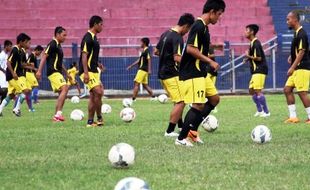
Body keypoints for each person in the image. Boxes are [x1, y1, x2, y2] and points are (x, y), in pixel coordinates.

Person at [175, 0, 226, 147]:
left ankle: (193, 131)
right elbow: (190, 49)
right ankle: (181, 138)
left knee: (214, 99)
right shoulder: (198, 26)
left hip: (201, 72)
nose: (219, 18)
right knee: (198, 104)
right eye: (219, 14)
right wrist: (210, 62)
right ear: (212, 12)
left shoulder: (204, 28)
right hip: (192, 72)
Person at [154, 13, 195, 137]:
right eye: (188, 29)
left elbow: (156, 51)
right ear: (186, 26)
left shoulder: (165, 34)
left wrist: (165, 57)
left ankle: (181, 125)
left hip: (163, 74)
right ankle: (169, 131)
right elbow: (177, 58)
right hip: (171, 74)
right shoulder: (177, 37)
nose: (187, 32)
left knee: (178, 101)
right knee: (181, 101)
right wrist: (189, 63)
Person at [36, 26, 69, 122]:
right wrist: (39, 71)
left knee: (61, 93)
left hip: (57, 72)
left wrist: (66, 72)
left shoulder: (58, 45)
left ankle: (56, 116)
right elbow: (44, 56)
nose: (65, 37)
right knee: (65, 88)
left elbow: (59, 61)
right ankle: (58, 114)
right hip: (53, 72)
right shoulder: (53, 43)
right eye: (64, 35)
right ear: (57, 34)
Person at [283, 10, 310, 123]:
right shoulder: (297, 33)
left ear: (295, 19)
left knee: (302, 92)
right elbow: (299, 50)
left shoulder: (302, 33)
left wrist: (292, 67)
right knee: (287, 89)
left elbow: (302, 52)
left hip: (302, 68)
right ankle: (293, 117)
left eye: (288, 19)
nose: (287, 22)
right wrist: (291, 56)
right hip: (297, 68)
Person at [79, 15, 104, 127]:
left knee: (94, 95)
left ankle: (90, 121)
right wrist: (85, 73)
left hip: (94, 70)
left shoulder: (94, 38)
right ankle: (99, 117)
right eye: (101, 24)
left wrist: (97, 63)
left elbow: (91, 55)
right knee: (98, 92)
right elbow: (84, 55)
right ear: (95, 24)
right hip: (87, 71)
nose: (102, 27)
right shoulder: (88, 37)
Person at [0, 33, 32, 117]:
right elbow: (8, 62)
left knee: (11, 95)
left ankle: (0, 109)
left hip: (13, 76)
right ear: (21, 42)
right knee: (25, 90)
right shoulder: (15, 49)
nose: (26, 44)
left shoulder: (20, 50)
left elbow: (20, 64)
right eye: (26, 42)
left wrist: (29, 66)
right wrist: (13, 73)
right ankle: (16, 109)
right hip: (14, 76)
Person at [244, 24, 270, 118]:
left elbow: (259, 58)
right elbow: (254, 57)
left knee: (258, 91)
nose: (245, 32)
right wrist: (248, 59)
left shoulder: (256, 43)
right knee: (251, 90)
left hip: (260, 69)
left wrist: (248, 56)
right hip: (255, 71)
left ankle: (266, 112)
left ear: (252, 32)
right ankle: (259, 110)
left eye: (247, 30)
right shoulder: (252, 43)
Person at [0, 40, 13, 104]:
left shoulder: (6, 55)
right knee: (4, 90)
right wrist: (4, 71)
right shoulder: (1, 55)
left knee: (6, 90)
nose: (11, 48)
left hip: (5, 74)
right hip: (1, 73)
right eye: (10, 46)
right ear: (6, 46)